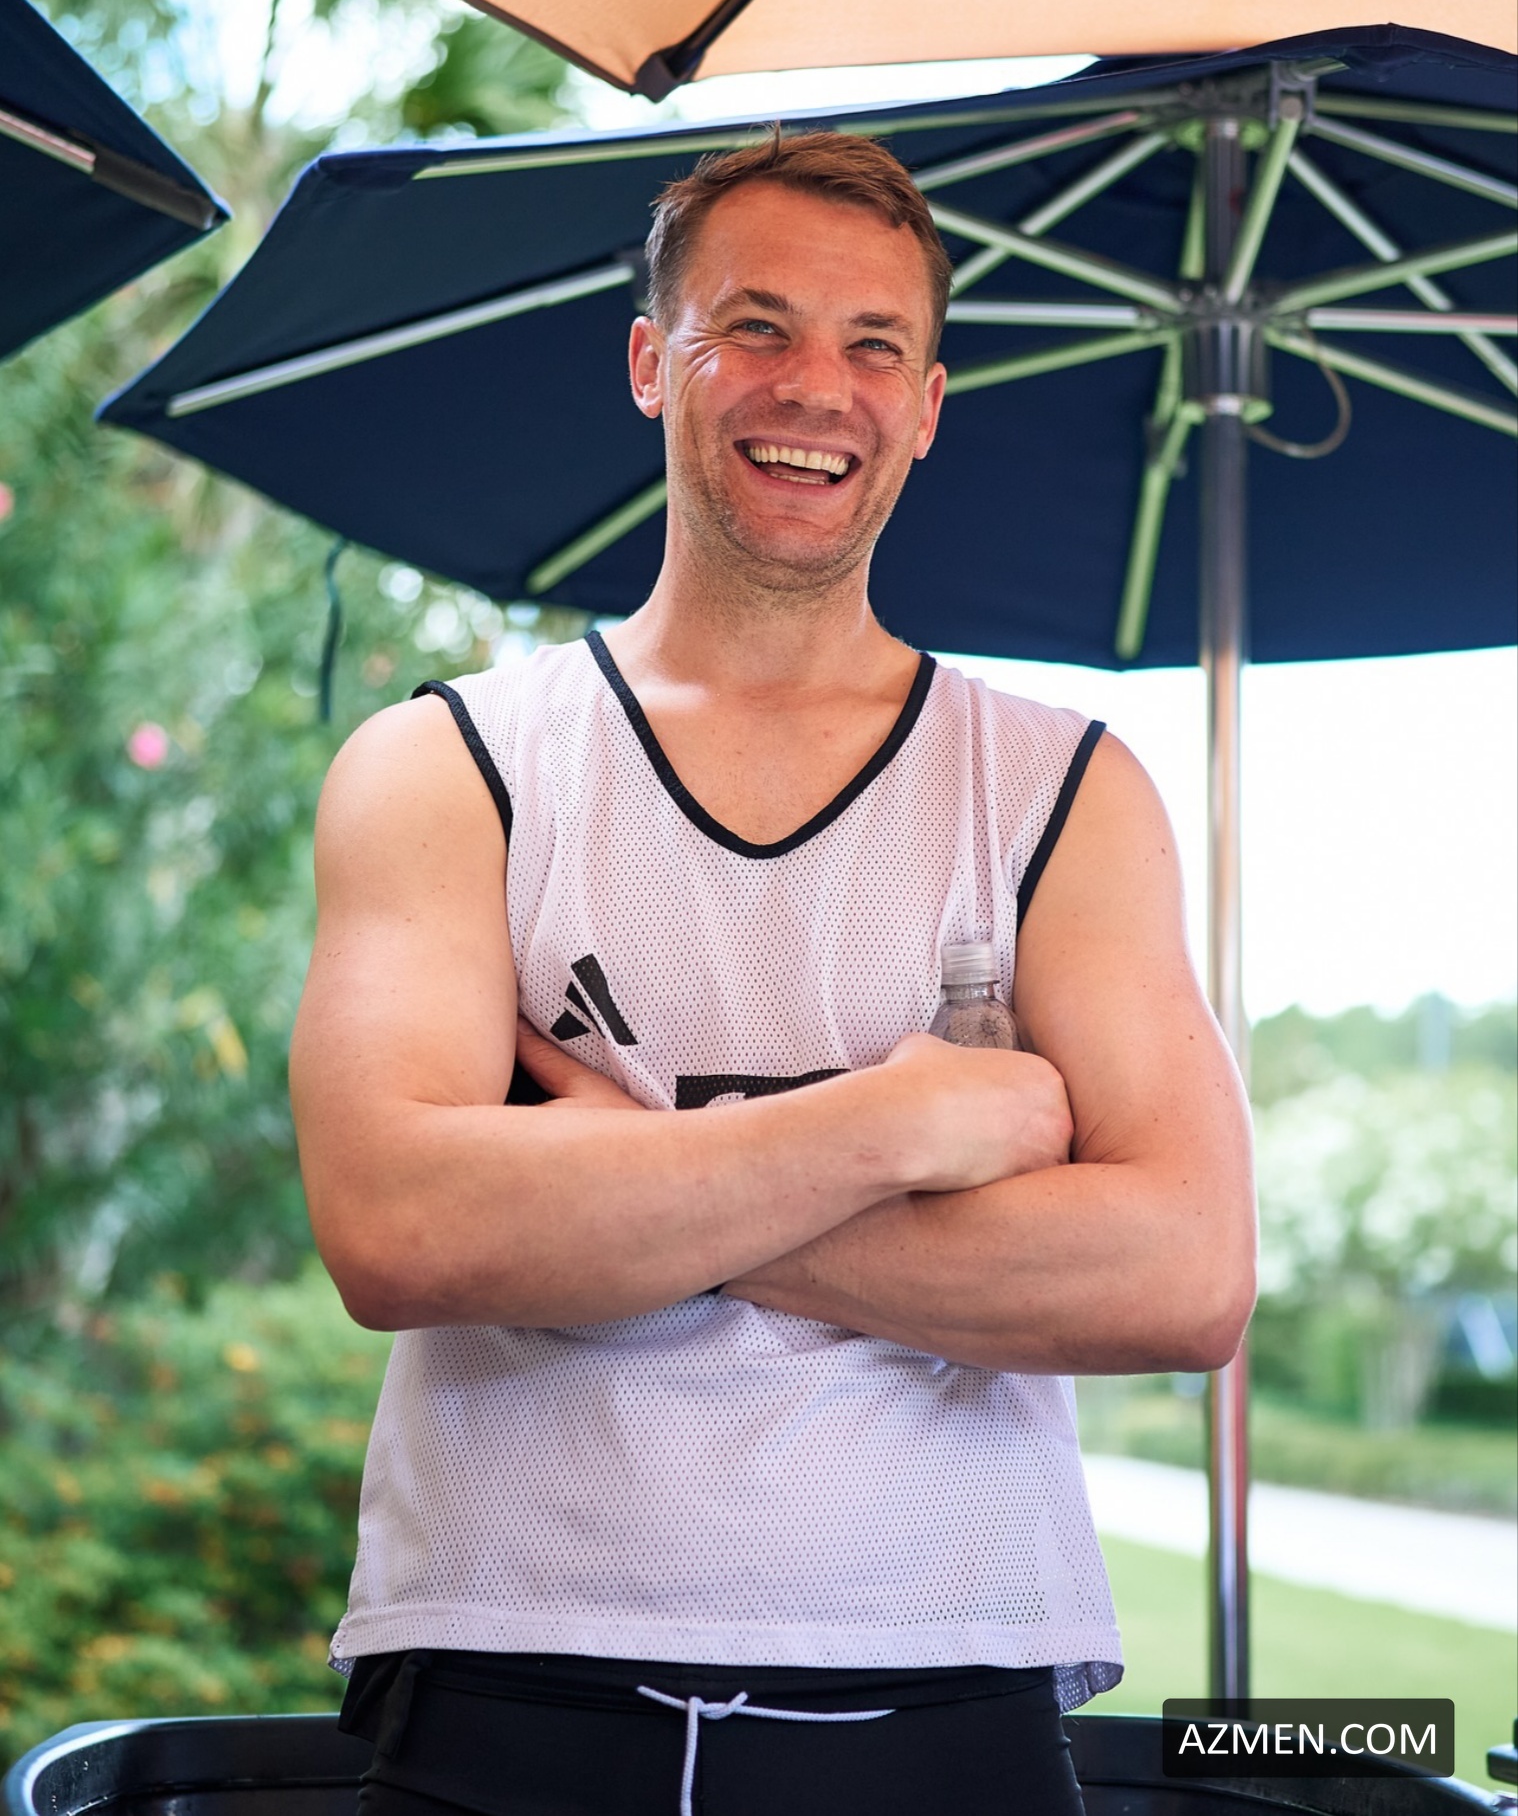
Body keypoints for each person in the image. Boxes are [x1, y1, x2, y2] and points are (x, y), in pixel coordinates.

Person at [290, 130, 1256, 1816]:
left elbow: (1181, 1274)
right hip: (505, 1672)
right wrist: (891, 1129)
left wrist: (625, 1187)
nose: (818, 387)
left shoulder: (1063, 791)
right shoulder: (444, 765)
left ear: (927, 404)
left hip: (946, 1679)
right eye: (756, 328)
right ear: (649, 361)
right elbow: (401, 1231)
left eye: (874, 344)